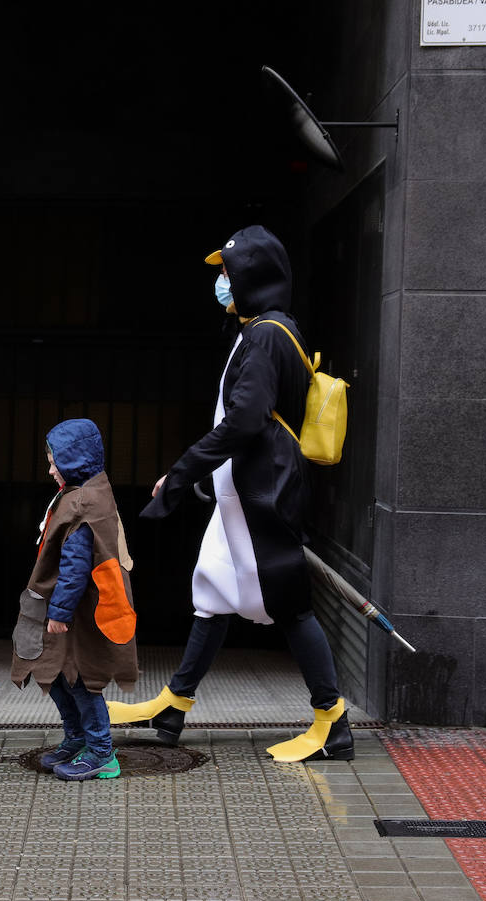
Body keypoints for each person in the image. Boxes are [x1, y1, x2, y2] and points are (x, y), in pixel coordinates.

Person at [108, 226, 353, 762]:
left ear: (251, 276)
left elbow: (245, 420)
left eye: (227, 272)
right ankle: (174, 705)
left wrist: (181, 471)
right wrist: (203, 477)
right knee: (213, 592)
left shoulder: (266, 334)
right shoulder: (262, 330)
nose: (221, 282)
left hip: (260, 492)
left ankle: (333, 722)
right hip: (241, 492)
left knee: (289, 602)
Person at [11, 419, 139, 780]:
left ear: (74, 459)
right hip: (68, 610)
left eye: (54, 461)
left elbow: (76, 565)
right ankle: (78, 739)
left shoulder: (83, 502)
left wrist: (60, 612)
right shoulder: (84, 493)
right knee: (57, 674)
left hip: (76, 614)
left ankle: (100, 753)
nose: (50, 469)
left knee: (82, 680)